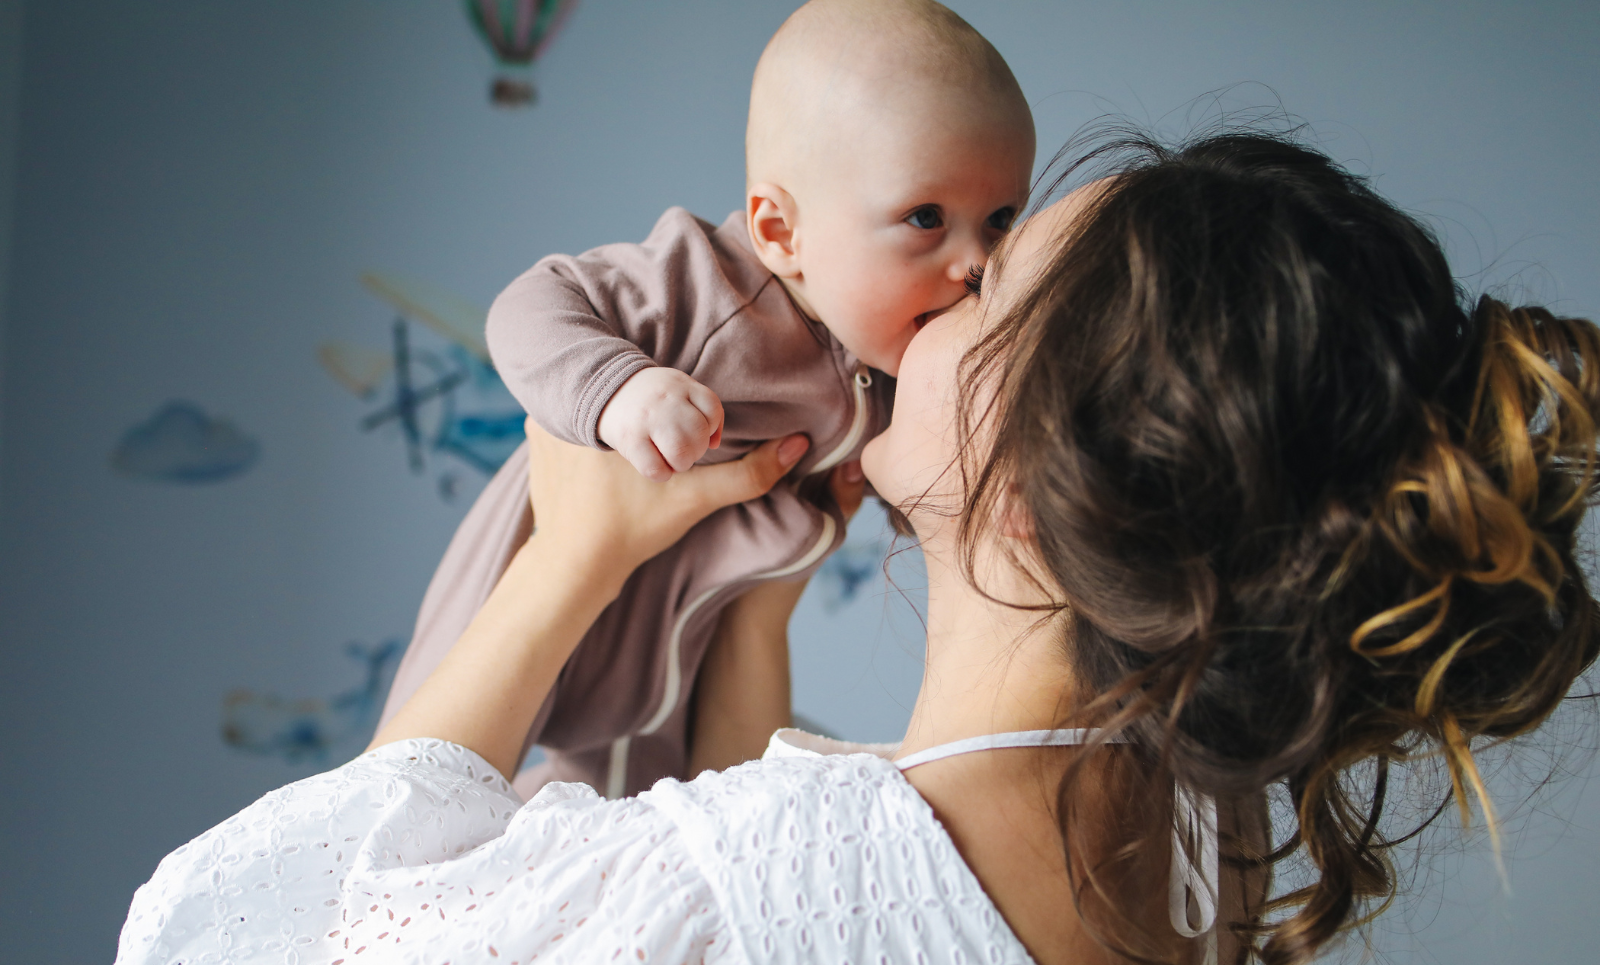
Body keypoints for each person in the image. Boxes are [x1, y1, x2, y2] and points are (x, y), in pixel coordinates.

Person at [117, 131, 1600, 965]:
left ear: (1028, 487)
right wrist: (755, 614)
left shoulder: (752, 888)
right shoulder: (1198, 841)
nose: (927, 296)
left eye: (988, 278)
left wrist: (564, 559)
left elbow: (262, 934)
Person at [377, 0, 1037, 801]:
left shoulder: (898, 352)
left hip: (683, 636)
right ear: (780, 231)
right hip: (545, 566)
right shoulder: (708, 287)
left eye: (1001, 221)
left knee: (636, 814)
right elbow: (530, 304)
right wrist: (618, 388)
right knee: (421, 786)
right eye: (926, 218)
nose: (975, 262)